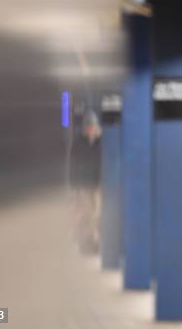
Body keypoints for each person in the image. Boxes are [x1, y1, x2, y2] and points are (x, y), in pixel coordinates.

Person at [69, 109, 102, 254]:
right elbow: (72, 164)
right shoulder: (77, 142)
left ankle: (95, 240)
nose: (90, 130)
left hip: (99, 184)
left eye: (92, 127)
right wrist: (74, 185)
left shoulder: (102, 141)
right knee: (88, 214)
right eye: (88, 127)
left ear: (96, 127)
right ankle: (90, 242)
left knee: (98, 213)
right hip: (84, 184)